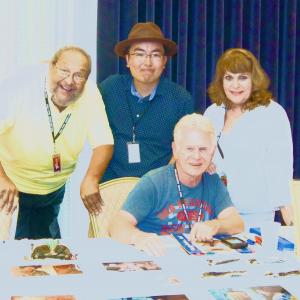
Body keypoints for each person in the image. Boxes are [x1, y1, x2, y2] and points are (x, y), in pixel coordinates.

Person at [0, 46, 114, 239]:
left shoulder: (90, 93)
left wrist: (91, 178)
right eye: (64, 71)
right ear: (50, 67)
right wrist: (2, 179)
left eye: (79, 75)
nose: (69, 81)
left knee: (44, 257)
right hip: (9, 187)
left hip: (51, 189)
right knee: (7, 256)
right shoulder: (19, 85)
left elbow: (104, 142)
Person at [109, 113, 244, 256]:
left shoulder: (213, 181)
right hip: (157, 259)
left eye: (203, 149)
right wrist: (138, 237)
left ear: (212, 151)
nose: (197, 157)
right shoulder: (154, 182)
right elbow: (116, 225)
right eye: (189, 149)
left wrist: (215, 225)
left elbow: (236, 222)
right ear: (175, 150)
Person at [204, 48, 293, 228]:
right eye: (229, 78)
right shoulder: (212, 112)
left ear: (254, 80)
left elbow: (280, 167)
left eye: (242, 77)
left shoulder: (272, 113)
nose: (235, 85)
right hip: (214, 213)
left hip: (256, 216)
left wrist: (289, 219)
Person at [99, 22, 194, 182]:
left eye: (155, 55)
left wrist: (161, 186)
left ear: (164, 61)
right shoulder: (109, 88)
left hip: (159, 190)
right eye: (140, 54)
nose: (147, 62)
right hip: (112, 187)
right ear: (128, 59)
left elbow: (184, 149)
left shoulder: (180, 98)